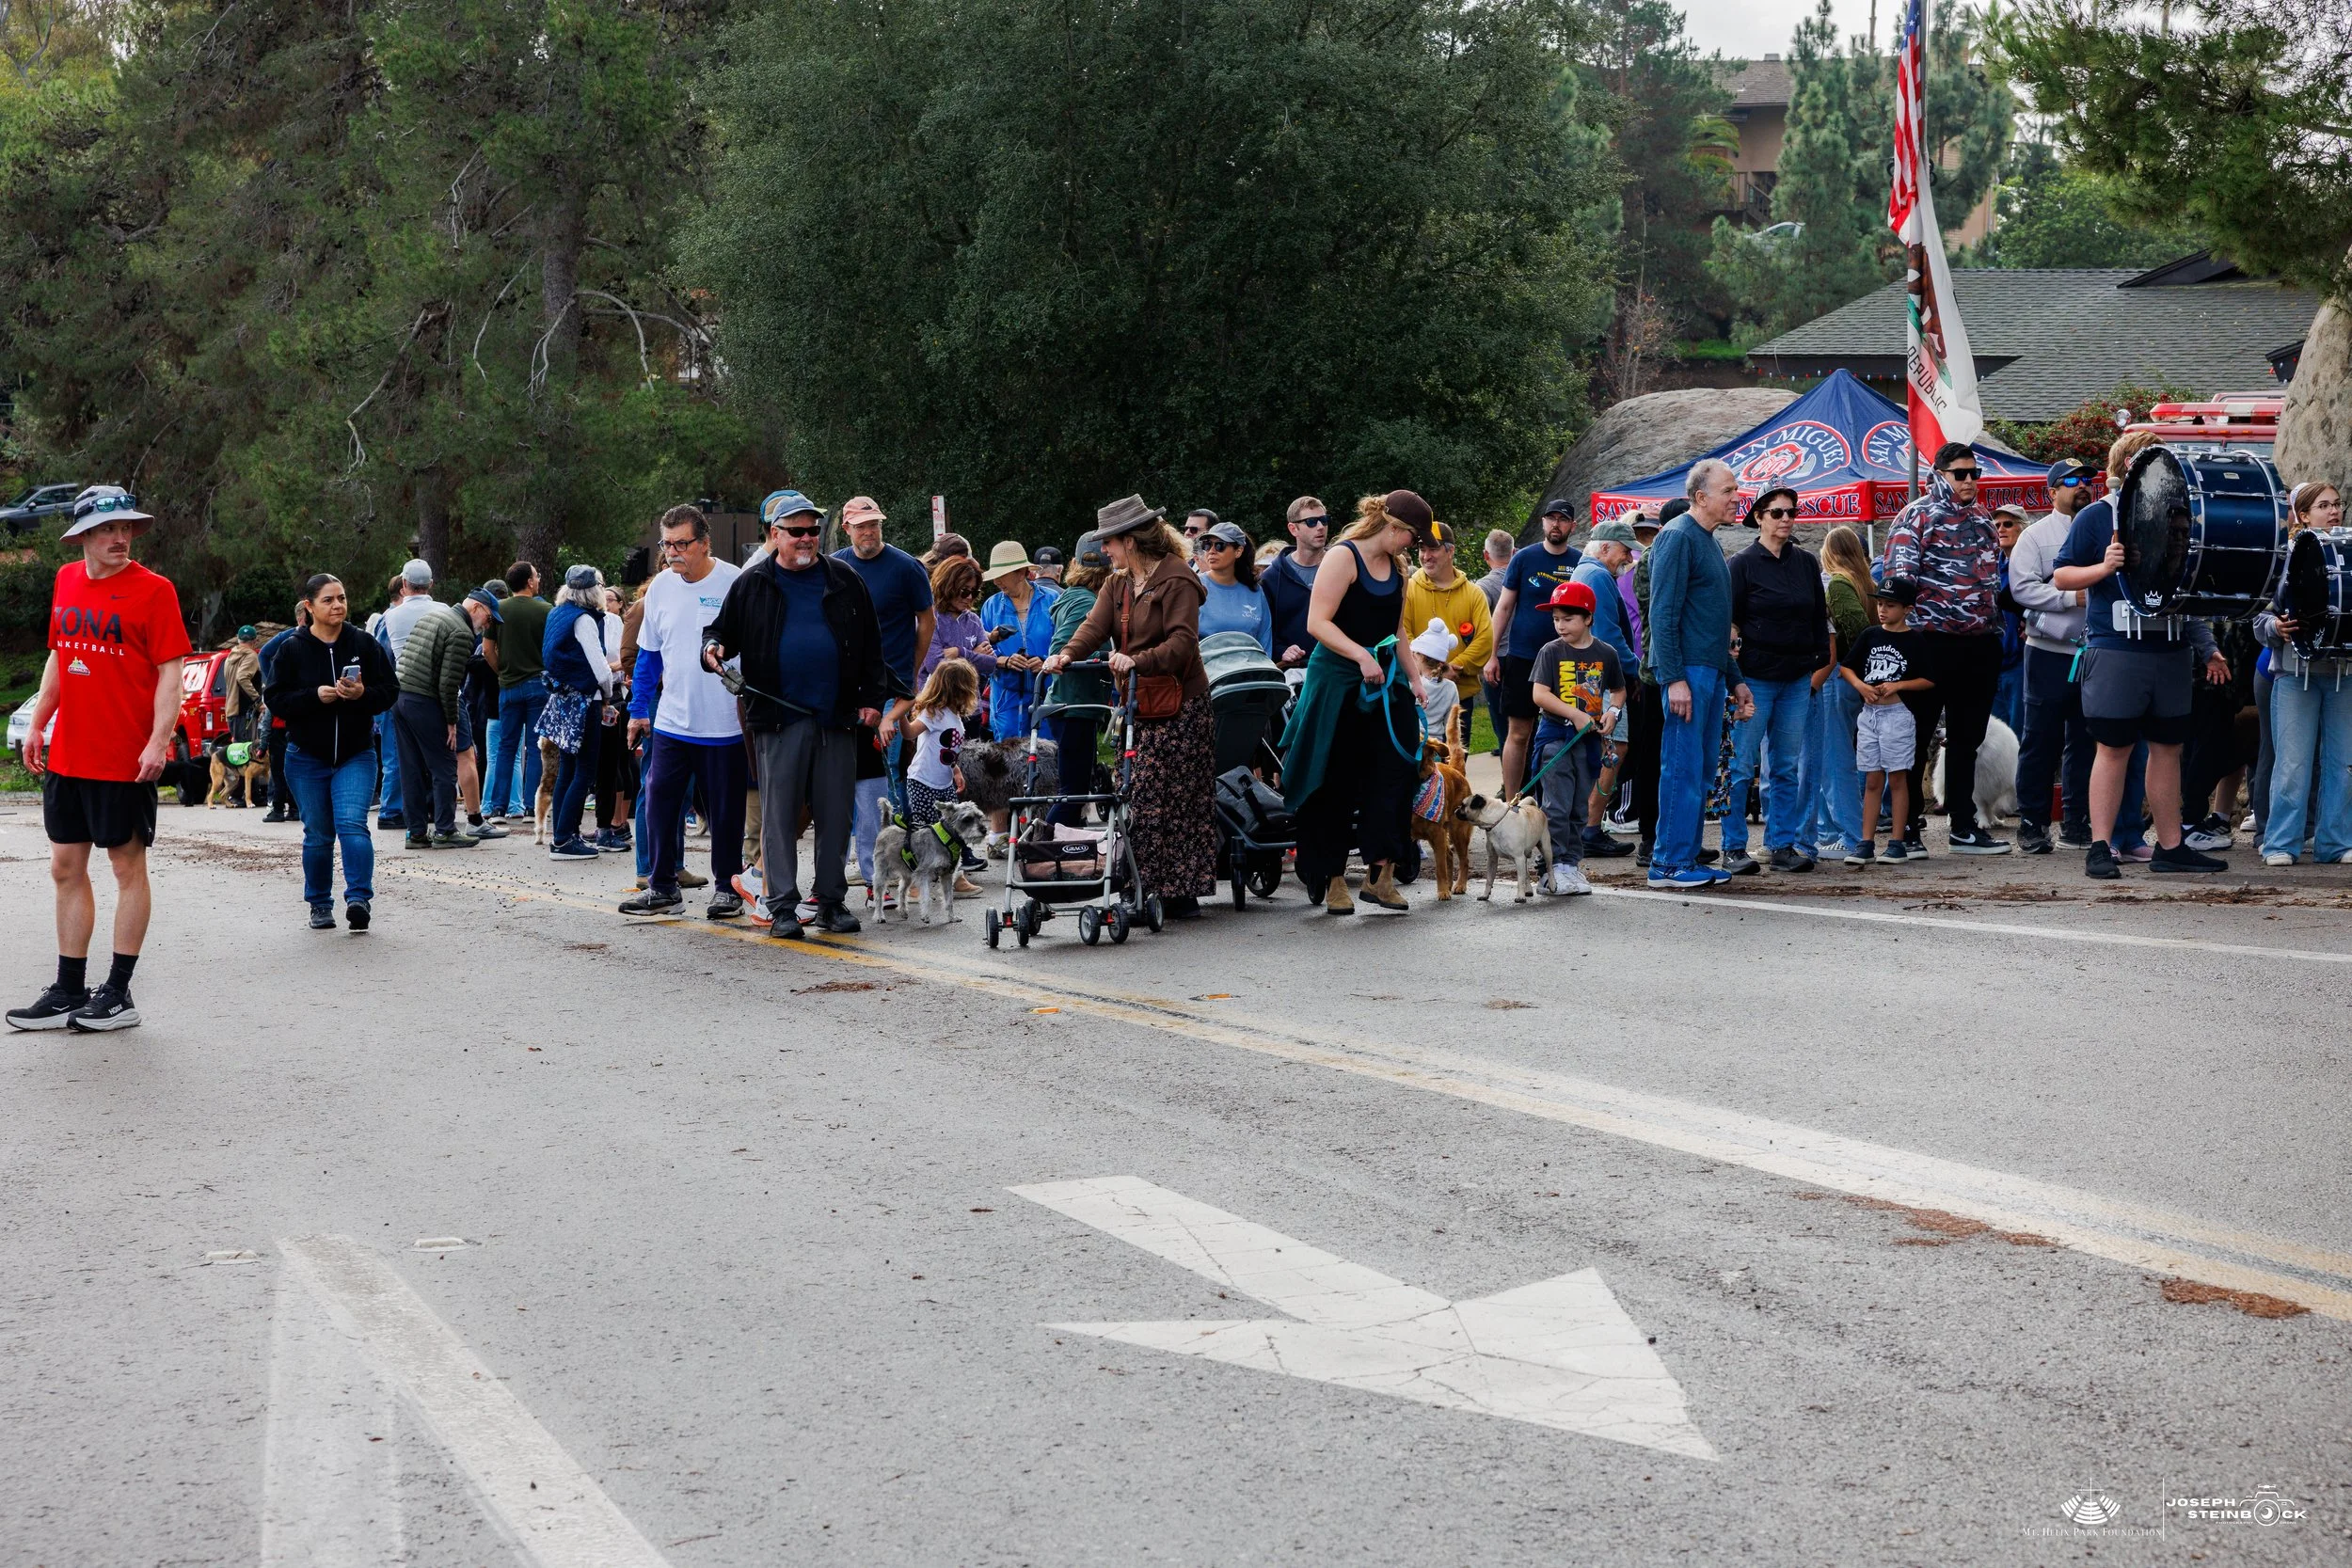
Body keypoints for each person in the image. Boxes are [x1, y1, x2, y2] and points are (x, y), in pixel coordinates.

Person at [6, 486, 190, 1033]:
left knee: (126, 867)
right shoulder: (65, 580)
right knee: (65, 868)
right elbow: (62, 655)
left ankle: (118, 993)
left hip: (123, 758)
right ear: (82, 535)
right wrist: (40, 720)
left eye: (127, 527)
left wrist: (159, 740)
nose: (121, 537)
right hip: (69, 753)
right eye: (109, 529)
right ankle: (68, 988)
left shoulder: (155, 592)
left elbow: (171, 674)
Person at [702, 488, 887, 938]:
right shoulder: (752, 583)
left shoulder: (844, 579)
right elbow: (721, 630)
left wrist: (872, 702)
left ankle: (829, 901)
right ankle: (781, 906)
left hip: (837, 718)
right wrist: (712, 647)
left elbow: (871, 646)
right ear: (774, 534)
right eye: (796, 531)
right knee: (779, 817)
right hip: (778, 719)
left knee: (835, 813)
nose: (806, 539)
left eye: (812, 531)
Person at [2049, 433, 2230, 879]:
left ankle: (2170, 846)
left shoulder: (2179, 515)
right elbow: (2061, 577)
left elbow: (2188, 593)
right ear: (2128, 463)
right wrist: (2104, 568)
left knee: (2167, 749)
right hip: (2116, 647)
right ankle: (2100, 845)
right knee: (2113, 747)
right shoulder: (2097, 515)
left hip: (2168, 648)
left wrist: (2208, 648)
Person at [1042, 495, 1218, 917]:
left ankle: (1176, 893)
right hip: (1139, 703)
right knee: (1137, 797)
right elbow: (1094, 626)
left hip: (1181, 706)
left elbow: (1181, 644)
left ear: (1132, 540)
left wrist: (1137, 659)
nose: (1104, 550)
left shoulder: (1177, 580)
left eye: (1110, 541)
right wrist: (1066, 655)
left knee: (1173, 801)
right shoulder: (1117, 582)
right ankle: (1144, 888)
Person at [1271, 491, 1434, 915]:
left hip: (1384, 678)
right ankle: (1334, 878)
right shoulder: (1343, 558)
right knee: (1335, 779)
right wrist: (1360, 655)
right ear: (1393, 527)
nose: (1413, 547)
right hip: (1339, 678)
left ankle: (1382, 875)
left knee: (1395, 773)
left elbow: (1398, 632)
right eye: (1412, 537)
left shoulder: (1399, 569)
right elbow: (1316, 623)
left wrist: (1415, 679)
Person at [1880, 442, 2010, 855]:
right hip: (1930, 643)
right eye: (1961, 473)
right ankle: (1909, 830)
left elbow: (1992, 581)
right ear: (1939, 473)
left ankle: (1964, 826)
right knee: (1916, 740)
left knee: (1968, 741)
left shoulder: (1984, 519)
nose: (1969, 480)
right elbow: (1899, 583)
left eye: (1975, 473)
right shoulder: (1915, 517)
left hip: (1979, 643)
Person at [620, 503, 749, 917]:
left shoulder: (736, 582)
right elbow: (648, 656)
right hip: (672, 722)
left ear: (705, 543)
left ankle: (727, 888)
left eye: (682, 543)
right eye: (667, 543)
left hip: (725, 723)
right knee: (659, 801)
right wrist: (639, 710)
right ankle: (662, 887)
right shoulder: (660, 587)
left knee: (726, 811)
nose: (673, 552)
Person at [264, 574, 400, 929]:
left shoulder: (364, 643)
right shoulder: (291, 648)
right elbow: (274, 698)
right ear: (309, 607)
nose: (338, 605)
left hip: (356, 753)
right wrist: (313, 697)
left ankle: (359, 899)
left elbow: (390, 690)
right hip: (306, 756)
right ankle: (320, 904)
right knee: (319, 833)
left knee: (353, 825)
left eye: (341, 597)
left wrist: (363, 695)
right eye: (328, 600)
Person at [1647, 462, 1754, 889]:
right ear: (1700, 497)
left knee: (1702, 770)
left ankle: (1684, 858)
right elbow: (1662, 613)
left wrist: (1736, 678)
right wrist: (1673, 678)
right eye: (1728, 490)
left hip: (1708, 670)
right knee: (1683, 767)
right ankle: (1667, 864)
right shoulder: (1676, 536)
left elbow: (1715, 624)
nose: (1736, 498)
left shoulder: (1709, 542)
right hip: (1686, 673)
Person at [1720, 486, 1829, 875]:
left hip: (1797, 676)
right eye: (1777, 512)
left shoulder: (1805, 562)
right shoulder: (1742, 564)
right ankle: (1733, 847)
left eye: (1790, 512)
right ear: (1759, 517)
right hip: (1756, 677)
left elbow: (1819, 614)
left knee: (1785, 766)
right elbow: (1729, 620)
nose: (1786, 518)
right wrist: (1735, 676)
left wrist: (1819, 659)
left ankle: (1781, 844)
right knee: (1741, 763)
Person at [833, 495, 934, 890]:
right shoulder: (837, 565)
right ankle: (850, 866)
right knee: (841, 777)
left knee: (881, 778)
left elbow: (926, 620)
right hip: (843, 687)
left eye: (874, 524)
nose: (869, 532)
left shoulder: (906, 567)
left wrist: (912, 668)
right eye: (861, 526)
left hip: (888, 688)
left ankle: (881, 867)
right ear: (847, 529)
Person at [2255, 481, 2349, 865]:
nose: (2334, 511)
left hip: (2344, 673)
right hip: (2295, 675)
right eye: (2324, 505)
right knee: (2292, 764)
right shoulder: (2285, 557)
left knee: (2343, 763)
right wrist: (2275, 629)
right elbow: (2258, 619)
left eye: (2338, 504)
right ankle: (2280, 843)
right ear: (2303, 515)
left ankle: (2335, 843)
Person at [2007, 459, 2098, 854]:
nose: (2082, 486)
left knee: (2086, 740)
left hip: (2095, 652)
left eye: (2087, 480)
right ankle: (2032, 822)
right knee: (2040, 739)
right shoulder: (2035, 536)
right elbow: (2021, 590)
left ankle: (2077, 822)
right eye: (2072, 481)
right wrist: (2068, 597)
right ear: (2051, 492)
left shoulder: (2101, 529)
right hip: (2048, 653)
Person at [1528, 581, 1624, 897]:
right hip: (1556, 737)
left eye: (1567, 618)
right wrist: (1574, 714)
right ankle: (1549, 870)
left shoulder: (1605, 653)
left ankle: (1570, 863)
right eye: (1556, 618)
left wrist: (1612, 712)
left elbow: (1619, 691)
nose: (1560, 625)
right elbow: (1539, 694)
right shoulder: (1551, 651)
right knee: (1556, 804)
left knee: (1579, 805)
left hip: (1589, 742)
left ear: (1588, 619)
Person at [1485, 497, 1584, 798]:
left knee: (1570, 734)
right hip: (1524, 658)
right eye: (1551, 518)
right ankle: (1513, 800)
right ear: (1543, 522)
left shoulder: (1580, 561)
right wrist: (1491, 656)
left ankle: (1563, 804)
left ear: (1572, 525)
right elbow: (1503, 608)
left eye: (1563, 519)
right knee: (1518, 733)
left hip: (1566, 659)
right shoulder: (1523, 558)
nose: (1556, 524)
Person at [389, 569, 489, 853]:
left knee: (411, 769)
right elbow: (449, 683)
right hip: (424, 700)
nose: (487, 626)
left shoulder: (436, 616)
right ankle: (446, 831)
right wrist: (451, 720)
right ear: (478, 608)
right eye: (488, 618)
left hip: (401, 697)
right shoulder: (460, 631)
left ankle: (416, 832)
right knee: (444, 765)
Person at [1839, 579, 1931, 866]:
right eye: (1880, 604)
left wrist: (1899, 685)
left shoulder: (1916, 640)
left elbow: (1929, 679)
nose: (1882, 609)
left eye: (1890, 605)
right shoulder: (1870, 635)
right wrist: (1861, 686)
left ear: (1907, 609)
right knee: (1872, 779)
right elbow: (1846, 667)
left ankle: (1896, 841)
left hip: (1897, 715)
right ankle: (1865, 842)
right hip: (1870, 716)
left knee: (1898, 777)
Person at [540, 564, 619, 860]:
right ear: (594, 590)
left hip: (563, 698)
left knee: (569, 770)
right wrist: (608, 697)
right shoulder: (585, 619)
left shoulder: (556, 613)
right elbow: (601, 669)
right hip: (586, 699)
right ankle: (563, 840)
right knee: (585, 770)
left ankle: (563, 835)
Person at [1571, 519, 1639, 859]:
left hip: (1587, 674)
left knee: (1600, 750)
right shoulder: (1597, 575)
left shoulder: (1585, 572)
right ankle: (1590, 828)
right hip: (1600, 677)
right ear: (1605, 547)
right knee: (1615, 749)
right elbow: (1609, 636)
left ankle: (1584, 824)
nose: (1627, 558)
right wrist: (1635, 671)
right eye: (1625, 550)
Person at [1806, 525, 1874, 862]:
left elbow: (1857, 631)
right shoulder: (1863, 582)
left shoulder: (1834, 584)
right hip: (1849, 679)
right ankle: (1834, 832)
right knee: (1836, 757)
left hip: (1835, 676)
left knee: (1834, 761)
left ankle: (1849, 836)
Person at [1400, 517, 1494, 748]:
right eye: (1422, 549)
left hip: (1460, 696)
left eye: (1433, 549)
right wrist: (1430, 671)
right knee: (1416, 767)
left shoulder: (1473, 593)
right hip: (1415, 696)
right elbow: (1402, 631)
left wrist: (1451, 668)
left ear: (1450, 551)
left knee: (1456, 765)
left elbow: (1484, 639)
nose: (1426, 556)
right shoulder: (1409, 588)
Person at [1042, 532, 1115, 827]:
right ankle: (1041, 851)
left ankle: (1061, 851)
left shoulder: (1075, 596)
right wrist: (1110, 657)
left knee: (1075, 790)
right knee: (1072, 793)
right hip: (1074, 706)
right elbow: (1060, 649)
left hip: (1074, 705)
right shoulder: (1086, 602)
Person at [483, 561, 548, 827]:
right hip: (537, 683)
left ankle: (498, 807)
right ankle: (532, 808)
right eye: (536, 576)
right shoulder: (546, 610)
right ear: (530, 582)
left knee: (506, 746)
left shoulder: (500, 609)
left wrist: (502, 671)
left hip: (508, 685)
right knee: (535, 748)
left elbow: (488, 649)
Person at [978, 541, 1058, 742]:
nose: (996, 582)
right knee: (1007, 759)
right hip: (1007, 699)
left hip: (1047, 694)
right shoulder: (991, 606)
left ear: (1022, 572)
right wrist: (1003, 660)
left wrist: (1045, 661)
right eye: (995, 577)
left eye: (1002, 575)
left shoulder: (1052, 600)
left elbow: (1066, 642)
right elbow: (980, 650)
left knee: (1047, 754)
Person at [902, 656, 980, 838]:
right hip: (923, 782)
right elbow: (909, 733)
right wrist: (899, 716)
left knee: (953, 825)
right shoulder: (933, 713)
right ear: (959, 689)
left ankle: (962, 857)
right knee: (928, 832)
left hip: (944, 784)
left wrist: (956, 771)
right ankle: (923, 863)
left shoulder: (955, 715)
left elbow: (947, 750)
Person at [1260, 497, 1329, 672]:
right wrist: (1282, 650)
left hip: (1338, 668)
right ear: (1293, 529)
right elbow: (1264, 631)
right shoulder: (1271, 577)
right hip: (1293, 671)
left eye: (1324, 520)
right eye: (1311, 522)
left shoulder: (1343, 568)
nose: (1320, 527)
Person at [1196, 520, 1272, 652]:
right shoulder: (1194, 586)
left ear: (1238, 551)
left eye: (1220, 546)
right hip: (1207, 669)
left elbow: (1265, 639)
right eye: (1207, 545)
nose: (1211, 551)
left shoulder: (1255, 591)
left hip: (1250, 668)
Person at [1991, 501, 2030, 736]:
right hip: (1993, 661)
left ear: (2022, 528)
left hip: (2020, 661)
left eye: (2008, 524)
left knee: (2019, 733)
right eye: (1996, 526)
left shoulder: (2030, 565)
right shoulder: (1990, 565)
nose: (2001, 529)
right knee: (1995, 736)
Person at [1475, 527, 1516, 752]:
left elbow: (1479, 628)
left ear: (1486, 555)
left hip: (1496, 660)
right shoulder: (1523, 581)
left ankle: (1509, 784)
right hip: (1522, 657)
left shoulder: (1482, 587)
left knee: (1503, 728)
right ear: (1513, 552)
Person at [223, 626, 262, 742]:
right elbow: (242, 678)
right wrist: (258, 701)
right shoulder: (251, 656)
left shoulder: (230, 657)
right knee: (246, 752)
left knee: (238, 751)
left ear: (238, 639)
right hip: (245, 712)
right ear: (254, 641)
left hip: (231, 711)